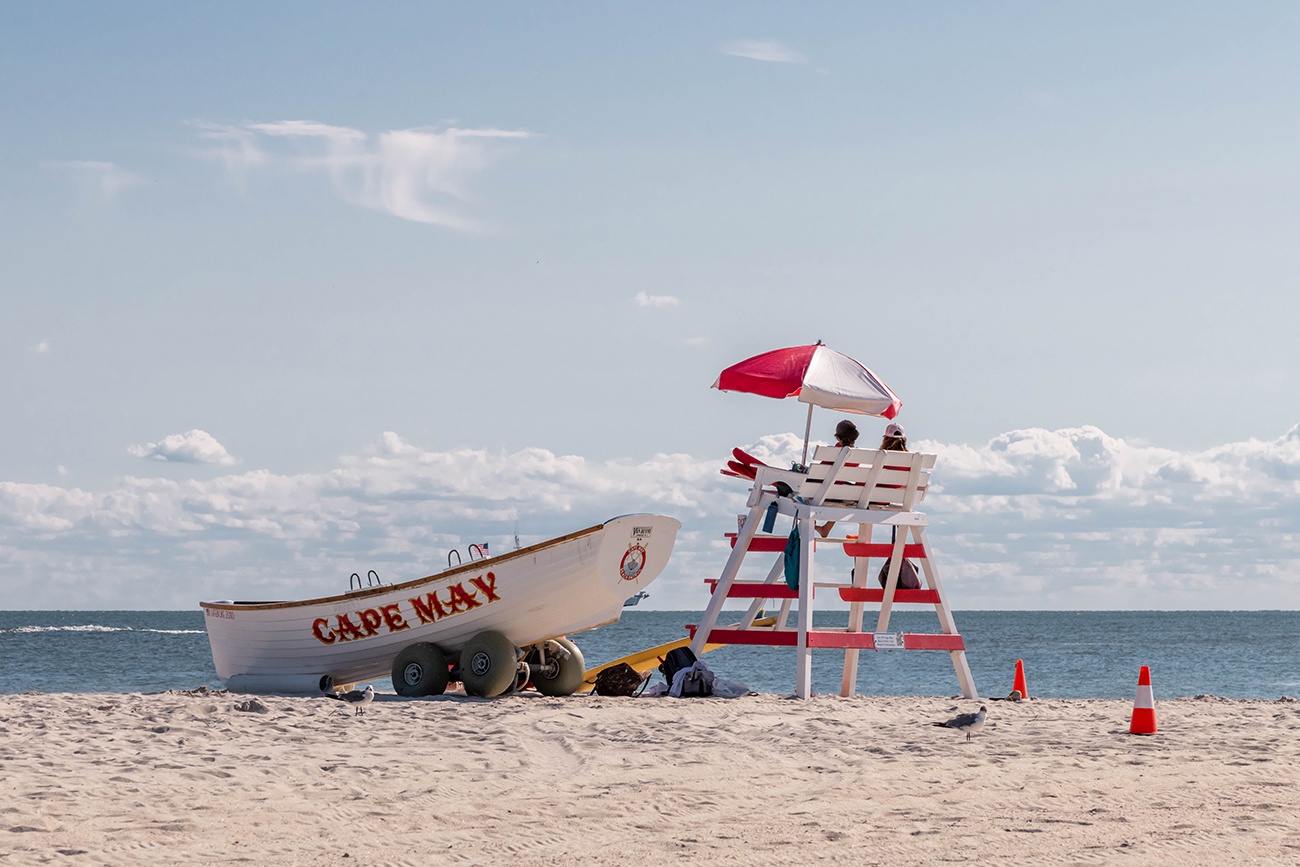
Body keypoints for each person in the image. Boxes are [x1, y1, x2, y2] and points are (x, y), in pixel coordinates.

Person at [816, 420, 860, 538]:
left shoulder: (834, 451)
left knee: (810, 489)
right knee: (841, 489)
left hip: (825, 493)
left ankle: (811, 523)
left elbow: (819, 472)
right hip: (843, 495)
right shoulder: (858, 454)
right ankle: (826, 528)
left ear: (838, 437)